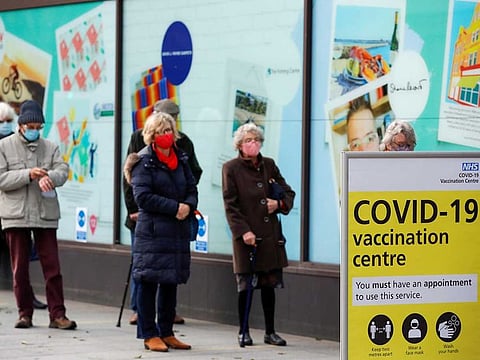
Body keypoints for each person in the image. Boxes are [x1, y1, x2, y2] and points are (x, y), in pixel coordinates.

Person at [123, 98, 202, 326]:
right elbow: (132, 183)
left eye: (170, 126)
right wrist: (133, 210)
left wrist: (186, 203)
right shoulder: (140, 144)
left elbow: (193, 178)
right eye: (162, 128)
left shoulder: (183, 145)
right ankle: (140, 312)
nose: (167, 132)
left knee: (170, 272)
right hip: (150, 219)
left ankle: (167, 321)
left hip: (176, 221)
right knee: (146, 269)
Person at [0, 100, 76, 330]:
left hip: (45, 214)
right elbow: (2, 180)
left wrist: (49, 177)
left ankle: (58, 315)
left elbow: (63, 171)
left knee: (52, 267)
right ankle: (25, 314)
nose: (35, 130)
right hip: (16, 214)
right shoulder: (4, 146)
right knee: (19, 268)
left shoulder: (50, 146)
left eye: (38, 126)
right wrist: (28, 175)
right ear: (21, 125)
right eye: (30, 125)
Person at [222, 123, 295, 347]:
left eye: (256, 140)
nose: (253, 144)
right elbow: (230, 204)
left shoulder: (269, 165)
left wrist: (280, 204)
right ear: (240, 145)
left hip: (270, 235)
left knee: (269, 284)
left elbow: (288, 192)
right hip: (248, 236)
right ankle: (243, 331)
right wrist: (243, 231)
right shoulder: (230, 168)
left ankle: (270, 332)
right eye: (248, 141)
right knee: (246, 284)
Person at [0, 101, 48, 311]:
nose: (6, 124)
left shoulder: (17, 143)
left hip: (15, 206)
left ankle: (27, 297)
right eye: (3, 121)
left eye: (9, 120)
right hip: (9, 203)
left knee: (21, 255)